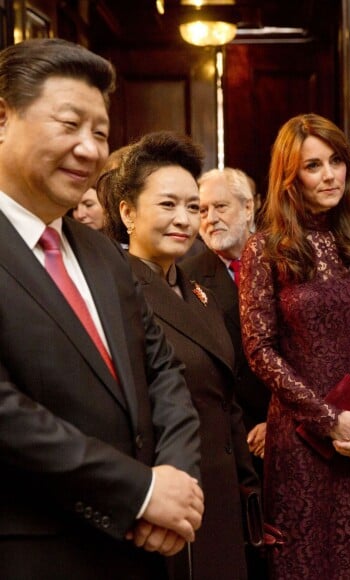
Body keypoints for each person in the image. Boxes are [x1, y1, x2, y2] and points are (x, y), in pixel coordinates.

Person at [0, 38, 204, 580]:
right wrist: (139, 491)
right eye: (70, 125)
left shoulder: (101, 252)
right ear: (2, 118)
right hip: (33, 551)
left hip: (141, 550)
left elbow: (163, 372)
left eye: (100, 133)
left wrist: (175, 484)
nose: (90, 150)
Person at [239, 113, 350, 579]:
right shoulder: (265, 248)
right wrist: (328, 419)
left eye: (336, 161)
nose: (329, 175)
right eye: (313, 165)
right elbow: (260, 349)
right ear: (290, 176)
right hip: (299, 442)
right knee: (301, 563)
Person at [101, 131, 260, 580]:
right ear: (128, 212)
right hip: (165, 501)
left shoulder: (198, 292)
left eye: (194, 207)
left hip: (221, 493)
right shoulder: (116, 292)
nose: (186, 219)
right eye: (168, 205)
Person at [180, 167, 271, 580]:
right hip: (229, 441)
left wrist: (279, 419)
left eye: (220, 207)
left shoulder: (283, 259)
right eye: (201, 210)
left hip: (290, 428)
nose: (209, 218)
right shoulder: (187, 277)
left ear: (249, 206)